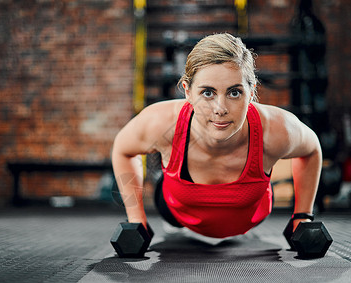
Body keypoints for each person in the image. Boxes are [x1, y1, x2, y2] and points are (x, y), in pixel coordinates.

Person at [112, 33, 322, 239]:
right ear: (187, 92)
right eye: (208, 93)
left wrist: (302, 216)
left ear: (251, 91)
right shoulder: (161, 121)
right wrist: (136, 219)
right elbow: (122, 148)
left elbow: (312, 149)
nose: (220, 109)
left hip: (249, 213)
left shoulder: (276, 128)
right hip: (176, 211)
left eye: (234, 92)